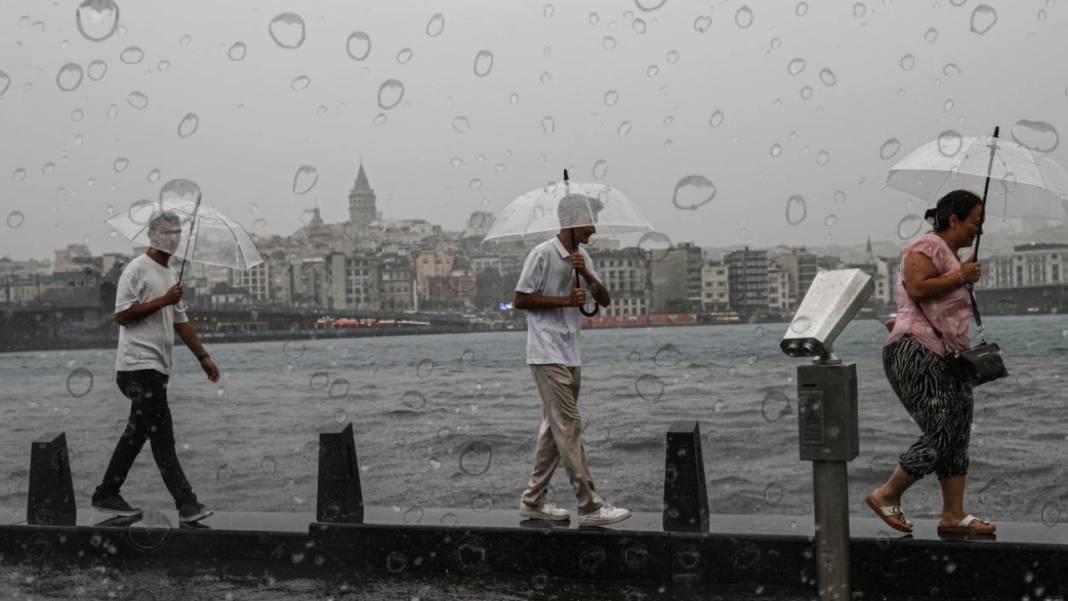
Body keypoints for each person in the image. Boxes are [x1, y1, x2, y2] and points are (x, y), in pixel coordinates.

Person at [866, 190, 996, 537]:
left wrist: (960, 274)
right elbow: (918, 287)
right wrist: (960, 278)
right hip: (917, 350)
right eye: (975, 223)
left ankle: (953, 514)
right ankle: (887, 494)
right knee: (942, 431)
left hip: (950, 357)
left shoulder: (953, 256)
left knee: (958, 435)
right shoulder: (927, 246)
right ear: (954, 220)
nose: (977, 232)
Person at [91, 211, 219, 523]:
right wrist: (163, 299)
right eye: (166, 232)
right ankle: (183, 502)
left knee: (148, 435)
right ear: (151, 236)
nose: (172, 238)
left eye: (177, 232)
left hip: (157, 368)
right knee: (155, 435)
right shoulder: (136, 269)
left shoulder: (171, 273)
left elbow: (181, 322)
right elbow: (121, 316)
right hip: (135, 367)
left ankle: (113, 493)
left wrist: (203, 357)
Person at [513, 194, 631, 527]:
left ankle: (533, 500)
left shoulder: (583, 256)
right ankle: (590, 505)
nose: (594, 228)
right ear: (572, 220)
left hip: (570, 352)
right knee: (570, 426)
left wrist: (589, 278)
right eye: (591, 221)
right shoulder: (542, 254)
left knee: (555, 428)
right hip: (546, 352)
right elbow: (520, 299)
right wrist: (566, 300)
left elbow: (604, 300)